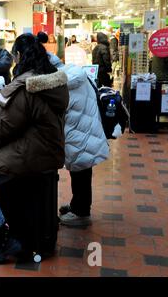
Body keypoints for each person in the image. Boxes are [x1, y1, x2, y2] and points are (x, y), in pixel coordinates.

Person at [0, 33, 69, 264]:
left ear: (20, 56)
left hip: (33, 152)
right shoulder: (49, 80)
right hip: (47, 149)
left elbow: (6, 124)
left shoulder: (26, 85)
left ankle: (4, 241)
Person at [48, 53, 110, 226]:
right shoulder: (72, 73)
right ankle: (77, 205)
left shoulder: (63, 82)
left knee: (80, 170)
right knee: (80, 170)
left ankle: (81, 213)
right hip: (83, 131)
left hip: (78, 132)